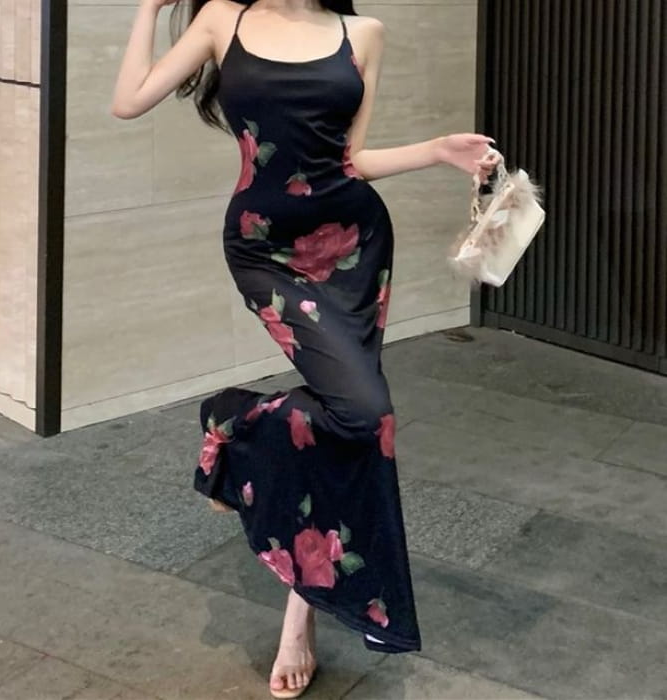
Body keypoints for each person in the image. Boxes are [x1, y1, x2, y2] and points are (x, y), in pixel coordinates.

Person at [112, 0, 499, 696]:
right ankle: (233, 419)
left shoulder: (362, 33)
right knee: (367, 413)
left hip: (354, 245)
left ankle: (301, 615)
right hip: (265, 248)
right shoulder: (222, 22)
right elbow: (128, 100)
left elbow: (350, 160)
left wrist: (439, 150)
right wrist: (148, 7)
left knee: (355, 422)